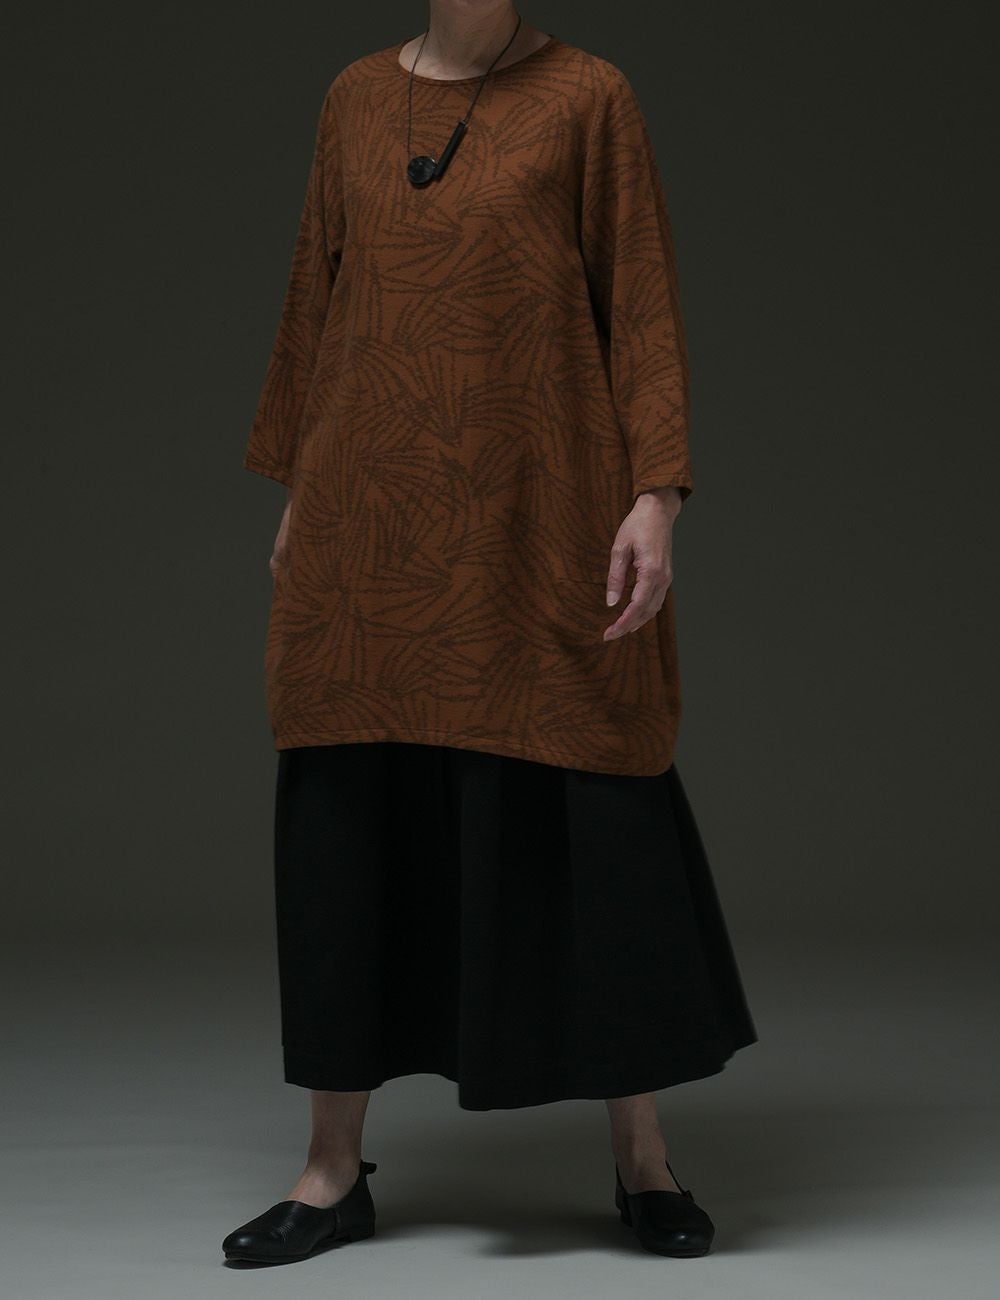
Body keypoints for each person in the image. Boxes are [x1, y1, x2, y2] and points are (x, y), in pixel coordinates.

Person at [224, 2, 758, 1265]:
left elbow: (640, 298)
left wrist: (657, 494)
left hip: (540, 503)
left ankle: (643, 1156)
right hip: (370, 514)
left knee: (592, 792)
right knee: (349, 804)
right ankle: (329, 1169)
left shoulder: (588, 97)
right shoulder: (356, 97)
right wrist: (303, 485)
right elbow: (317, 294)